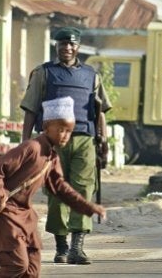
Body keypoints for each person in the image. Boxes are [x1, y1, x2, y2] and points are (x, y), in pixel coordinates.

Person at [0, 97, 106, 278]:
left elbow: (61, 189)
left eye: (69, 131)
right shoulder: (31, 147)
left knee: (32, 271)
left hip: (26, 217)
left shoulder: (52, 158)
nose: (65, 135)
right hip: (7, 214)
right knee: (17, 266)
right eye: (61, 129)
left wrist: (89, 207)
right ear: (47, 127)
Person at [20, 26, 112, 265]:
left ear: (78, 47)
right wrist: (26, 142)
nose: (67, 48)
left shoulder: (92, 75)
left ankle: (77, 248)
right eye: (63, 44)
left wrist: (104, 140)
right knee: (57, 190)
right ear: (56, 46)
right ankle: (61, 247)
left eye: (72, 44)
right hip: (53, 142)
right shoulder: (44, 73)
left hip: (84, 138)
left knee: (82, 190)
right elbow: (31, 108)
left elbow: (100, 110)